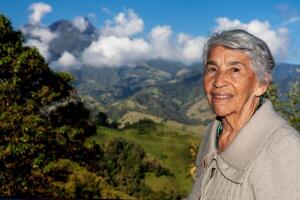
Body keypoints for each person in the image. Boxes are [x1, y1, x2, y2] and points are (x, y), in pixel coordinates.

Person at [188, 29, 300, 200]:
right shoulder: (211, 134)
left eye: (234, 70)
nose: (218, 82)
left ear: (261, 84)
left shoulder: (286, 151)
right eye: (212, 69)